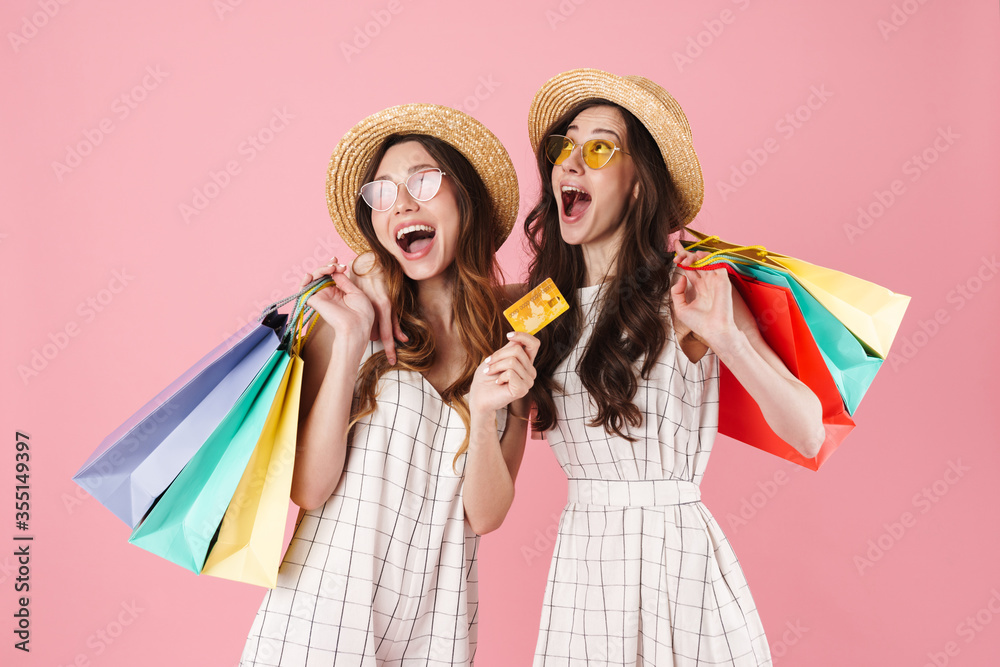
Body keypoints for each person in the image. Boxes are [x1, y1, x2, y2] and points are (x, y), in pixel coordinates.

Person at [522, 69, 826, 666]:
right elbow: (444, 312)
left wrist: (727, 340)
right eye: (565, 145)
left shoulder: (685, 296)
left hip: (674, 563)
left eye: (601, 147)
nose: (571, 162)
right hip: (584, 567)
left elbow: (808, 431)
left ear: (639, 186)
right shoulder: (539, 305)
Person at [240, 104, 538, 667]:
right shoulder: (350, 314)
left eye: (423, 181)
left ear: (465, 201)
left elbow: (486, 515)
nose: (401, 202)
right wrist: (349, 338)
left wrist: (486, 408)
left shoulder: (508, 340)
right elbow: (307, 489)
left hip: (437, 631)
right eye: (381, 192)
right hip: (320, 623)